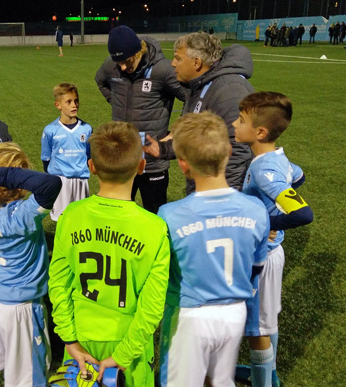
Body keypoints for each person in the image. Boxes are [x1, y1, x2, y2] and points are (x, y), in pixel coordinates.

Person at [48, 121, 171, 387]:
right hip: (129, 345)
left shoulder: (71, 216)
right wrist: (124, 354)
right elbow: (152, 306)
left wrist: (70, 339)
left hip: (82, 339)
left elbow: (58, 283)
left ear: (91, 167)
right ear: (141, 166)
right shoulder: (155, 227)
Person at [157, 111, 269, 387]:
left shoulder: (170, 214)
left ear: (183, 166)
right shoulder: (256, 209)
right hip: (234, 311)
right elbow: (256, 267)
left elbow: (161, 273)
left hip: (189, 314)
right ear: (229, 151)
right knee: (221, 380)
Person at [233, 92, 313, 387]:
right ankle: (268, 374)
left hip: (262, 257)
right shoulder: (277, 158)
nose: (234, 123)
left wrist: (268, 221)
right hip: (269, 254)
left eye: (240, 120)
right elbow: (297, 176)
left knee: (256, 329)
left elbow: (303, 214)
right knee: (265, 321)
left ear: (260, 132)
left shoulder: (262, 167)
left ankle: (263, 381)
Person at [0, 142, 62, 387]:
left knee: (10, 367)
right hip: (21, 309)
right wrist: (1, 174)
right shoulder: (20, 216)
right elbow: (50, 184)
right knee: (29, 379)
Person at [145, 31, 253, 195]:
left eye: (178, 58)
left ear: (196, 63)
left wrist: (221, 198)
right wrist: (163, 148)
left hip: (221, 194)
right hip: (204, 186)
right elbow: (197, 136)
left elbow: (237, 151)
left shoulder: (229, 90)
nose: (173, 64)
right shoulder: (199, 85)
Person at [95, 25, 185, 214]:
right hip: (122, 158)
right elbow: (100, 80)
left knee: (155, 213)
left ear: (139, 52)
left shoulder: (163, 70)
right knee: (117, 213)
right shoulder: (111, 66)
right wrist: (115, 101)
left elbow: (190, 97)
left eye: (127, 61)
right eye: (118, 62)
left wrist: (177, 129)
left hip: (152, 161)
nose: (122, 67)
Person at [41, 82, 92, 221]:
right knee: (61, 218)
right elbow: (46, 158)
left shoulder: (86, 128)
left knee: (80, 218)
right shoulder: (50, 130)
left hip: (81, 180)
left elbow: (88, 155)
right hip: (60, 180)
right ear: (58, 105)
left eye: (76, 101)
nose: (74, 105)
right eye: (68, 102)